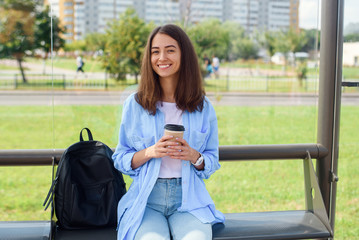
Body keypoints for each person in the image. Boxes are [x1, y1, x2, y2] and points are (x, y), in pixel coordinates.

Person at [112, 24, 225, 240]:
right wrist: (151, 151)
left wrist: (194, 156)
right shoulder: (135, 104)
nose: (162, 57)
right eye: (155, 51)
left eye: (170, 50)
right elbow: (120, 158)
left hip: (189, 200)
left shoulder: (203, 106)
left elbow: (211, 160)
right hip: (146, 201)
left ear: (184, 55)